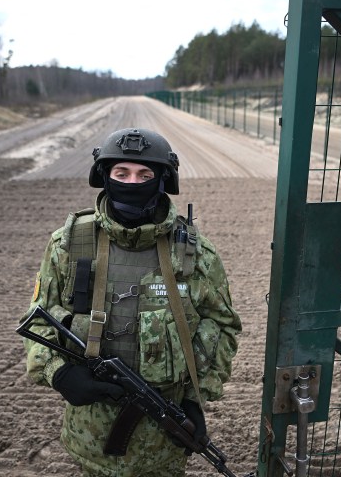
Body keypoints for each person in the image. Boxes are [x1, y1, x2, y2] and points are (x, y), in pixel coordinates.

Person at [21, 128, 242, 477]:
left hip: (163, 441)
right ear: (104, 177)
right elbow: (36, 320)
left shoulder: (195, 254)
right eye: (121, 173)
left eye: (144, 175)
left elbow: (224, 327)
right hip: (91, 437)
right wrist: (59, 373)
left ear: (162, 180)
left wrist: (196, 399)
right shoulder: (71, 244)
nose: (132, 182)